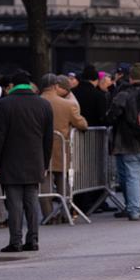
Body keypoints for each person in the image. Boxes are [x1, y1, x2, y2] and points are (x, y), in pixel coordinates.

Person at [0, 70, 54, 252]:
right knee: (31, 202)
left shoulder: (4, 105)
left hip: (10, 161)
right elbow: (48, 139)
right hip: (35, 160)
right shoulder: (44, 104)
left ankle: (15, 241)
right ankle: (33, 240)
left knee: (14, 203)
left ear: (12, 86)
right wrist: (45, 163)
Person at [106, 63, 140, 221]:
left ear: (130, 77)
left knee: (132, 177)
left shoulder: (123, 94)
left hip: (128, 143)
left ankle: (134, 210)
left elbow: (112, 116)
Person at [42, 74, 88, 218]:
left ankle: (48, 215)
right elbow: (82, 124)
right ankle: (65, 213)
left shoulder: (36, 102)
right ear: (56, 86)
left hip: (39, 149)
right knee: (63, 182)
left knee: (44, 183)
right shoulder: (67, 104)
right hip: (61, 149)